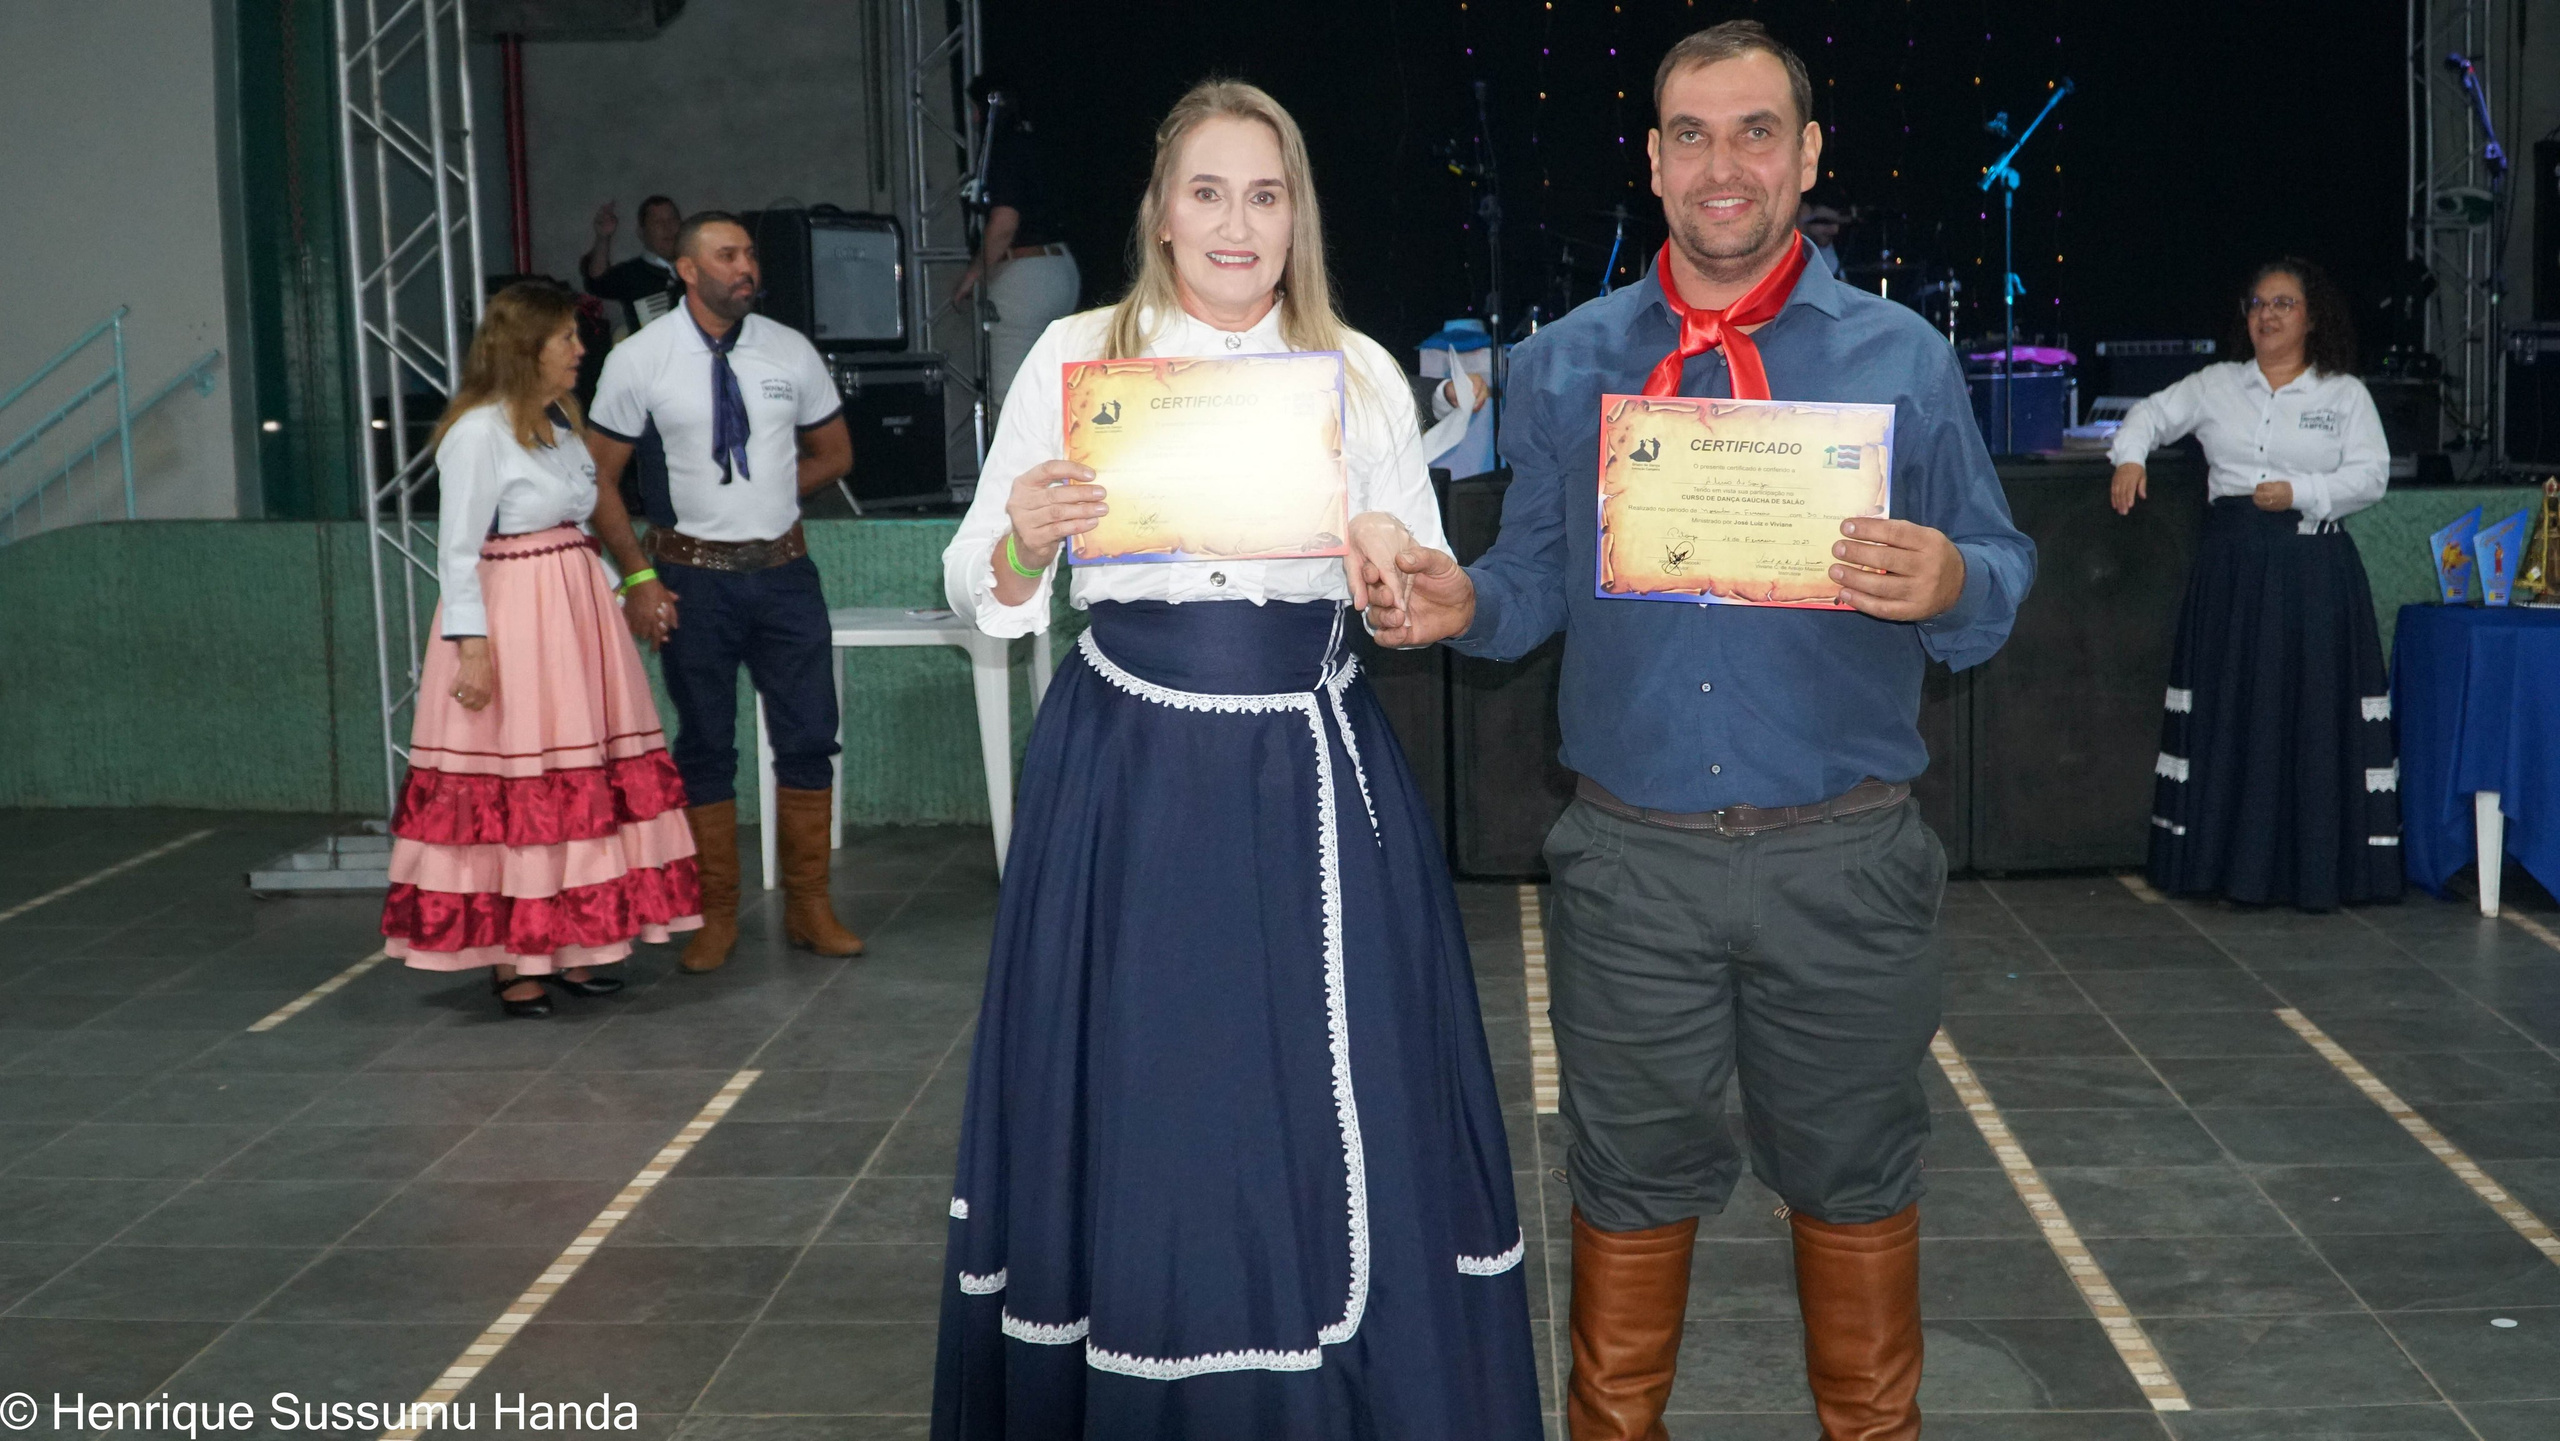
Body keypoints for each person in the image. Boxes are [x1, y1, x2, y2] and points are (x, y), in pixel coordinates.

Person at [1367, 22, 2035, 1441]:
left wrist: (1956, 578)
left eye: (1753, 131)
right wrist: (1455, 601)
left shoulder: (1902, 360)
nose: (1721, 163)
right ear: (1655, 159)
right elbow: (1532, 584)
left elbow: (1997, 569)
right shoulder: (1565, 363)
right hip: (1633, 869)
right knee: (1625, 1183)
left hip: (1845, 862)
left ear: (1806, 154)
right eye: (1690, 132)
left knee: (1856, 1178)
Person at [930, 80, 1541, 1441]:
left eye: (1265, 195)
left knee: (1333, 1123)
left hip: (1314, 779)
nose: (1236, 222)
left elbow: (1414, 576)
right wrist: (1027, 530)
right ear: (1160, 210)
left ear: (1296, 216)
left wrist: (1394, 578)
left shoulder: (1360, 370)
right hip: (1125, 779)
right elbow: (982, 587)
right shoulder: (1078, 360)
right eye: (1207, 191)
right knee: (1150, 1110)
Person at [380, 282, 703, 1018]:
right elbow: (457, 551)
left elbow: (584, 513)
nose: (579, 351)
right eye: (565, 339)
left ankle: (572, 942)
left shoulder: (557, 422)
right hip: (517, 615)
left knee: (578, 782)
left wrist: (622, 589)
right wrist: (472, 646)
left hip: (571, 611)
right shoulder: (478, 431)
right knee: (522, 782)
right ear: (526, 347)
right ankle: (515, 957)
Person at [584, 212, 863, 974]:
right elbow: (597, 478)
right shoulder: (640, 358)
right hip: (689, 579)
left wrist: (770, 488)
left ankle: (810, 907)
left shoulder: (788, 349)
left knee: (809, 734)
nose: (746, 266)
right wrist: (637, 577)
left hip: (783, 574)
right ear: (687, 271)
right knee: (706, 745)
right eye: (727, 255)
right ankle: (716, 916)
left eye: (748, 254)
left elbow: (835, 453)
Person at [2109, 258, 2401, 909]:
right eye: (2258, 303)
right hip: (2235, 576)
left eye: (2284, 303)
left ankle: (2317, 868)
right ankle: (2221, 863)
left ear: (2312, 316)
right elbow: (2148, 416)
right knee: (2237, 712)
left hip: (2315, 576)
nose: (2267, 315)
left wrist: (2302, 491)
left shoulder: (2343, 394)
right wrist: (2130, 458)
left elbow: (2372, 475)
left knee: (2310, 716)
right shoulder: (2217, 385)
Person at [952, 77, 1079, 412]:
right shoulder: (1043, 142)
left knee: (1009, 398)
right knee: (1056, 391)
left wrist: (972, 276)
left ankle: (1019, 466)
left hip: (1024, 276)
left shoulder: (1004, 149)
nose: (975, 119)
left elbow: (1004, 225)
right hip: (1062, 268)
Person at [584, 195, 687, 336]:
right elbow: (597, 283)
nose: (667, 227)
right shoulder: (631, 273)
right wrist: (603, 238)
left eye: (672, 220)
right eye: (657, 222)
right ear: (642, 232)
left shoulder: (699, 267)